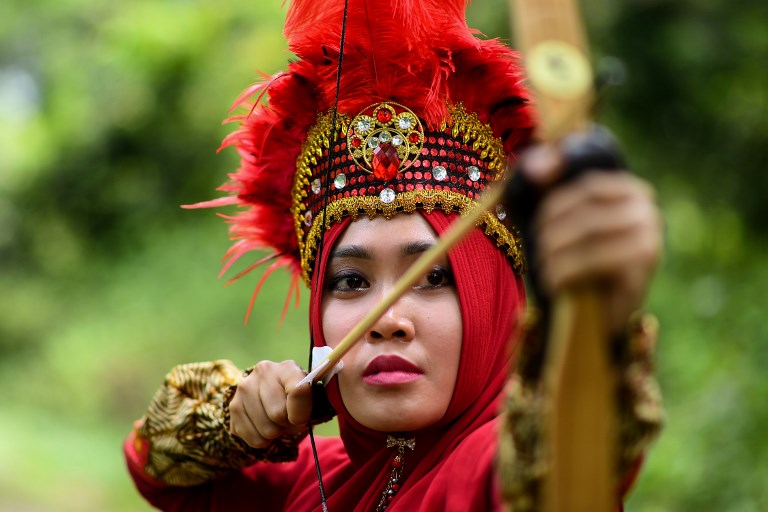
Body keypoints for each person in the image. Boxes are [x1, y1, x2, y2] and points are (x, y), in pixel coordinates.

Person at [124, 0, 663, 510]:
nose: (386, 319)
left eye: (433, 277)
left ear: (493, 299)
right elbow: (152, 465)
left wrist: (594, 316)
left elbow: (563, 459)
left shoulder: (496, 473)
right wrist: (237, 420)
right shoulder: (313, 481)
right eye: (352, 282)